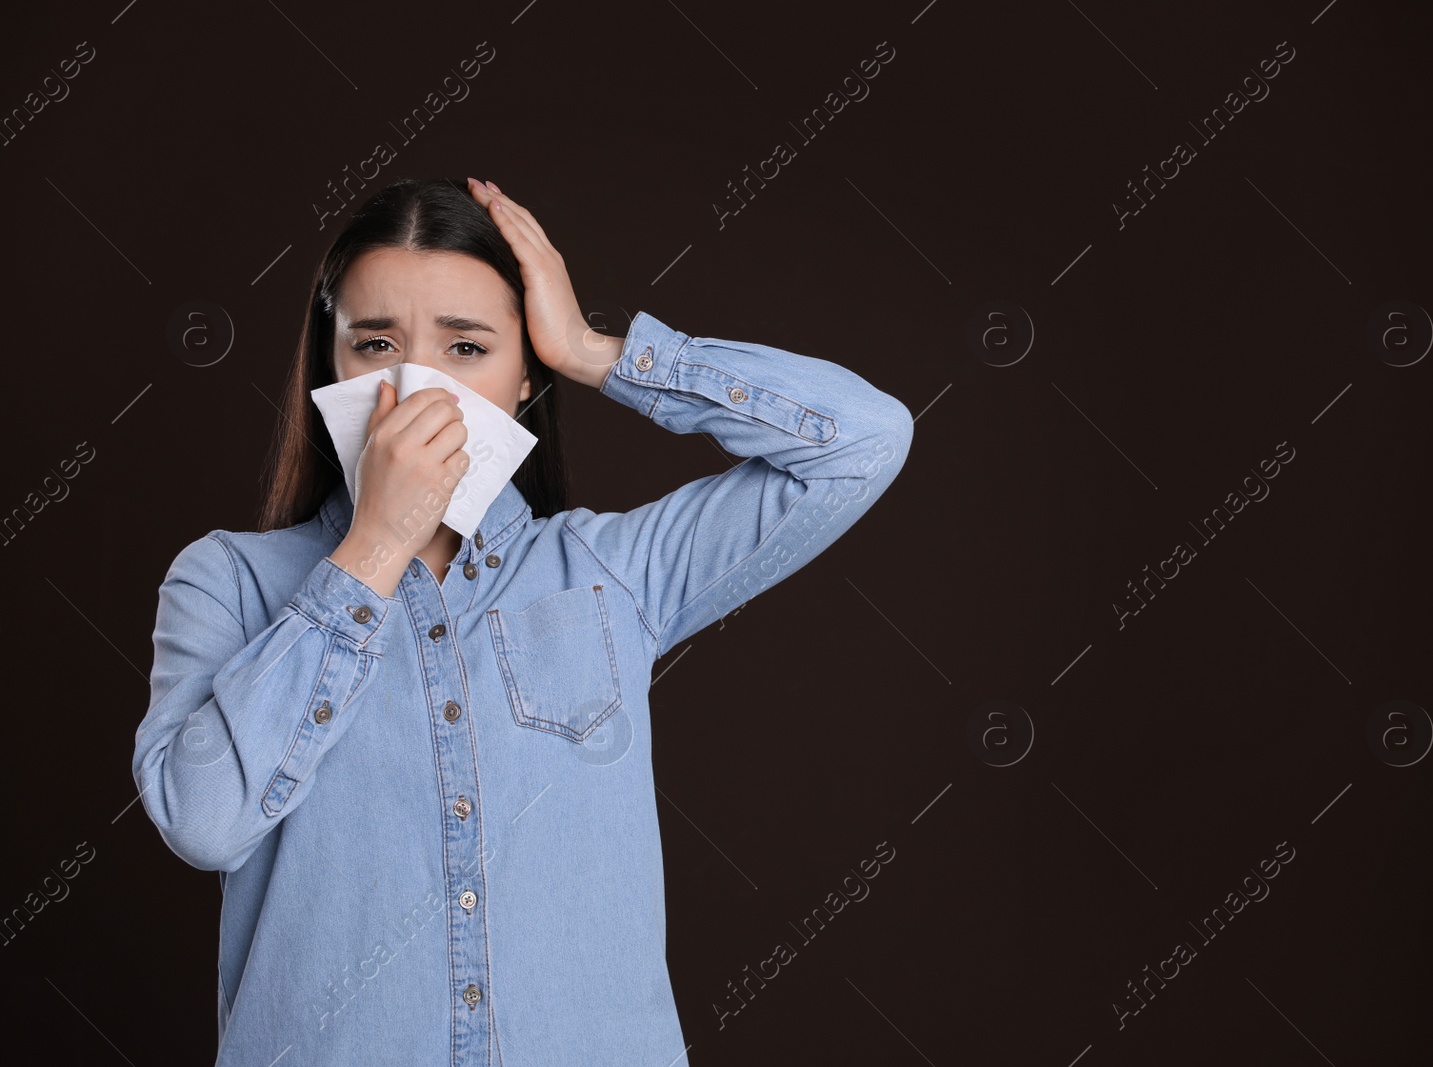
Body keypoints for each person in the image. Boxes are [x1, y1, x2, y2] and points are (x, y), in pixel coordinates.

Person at [132, 176, 913, 1066]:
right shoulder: (226, 580)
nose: (415, 383)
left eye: (466, 346)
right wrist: (375, 546)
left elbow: (862, 441)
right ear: (330, 365)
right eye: (376, 342)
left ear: (525, 375)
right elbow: (201, 820)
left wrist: (595, 350)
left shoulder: (614, 573)